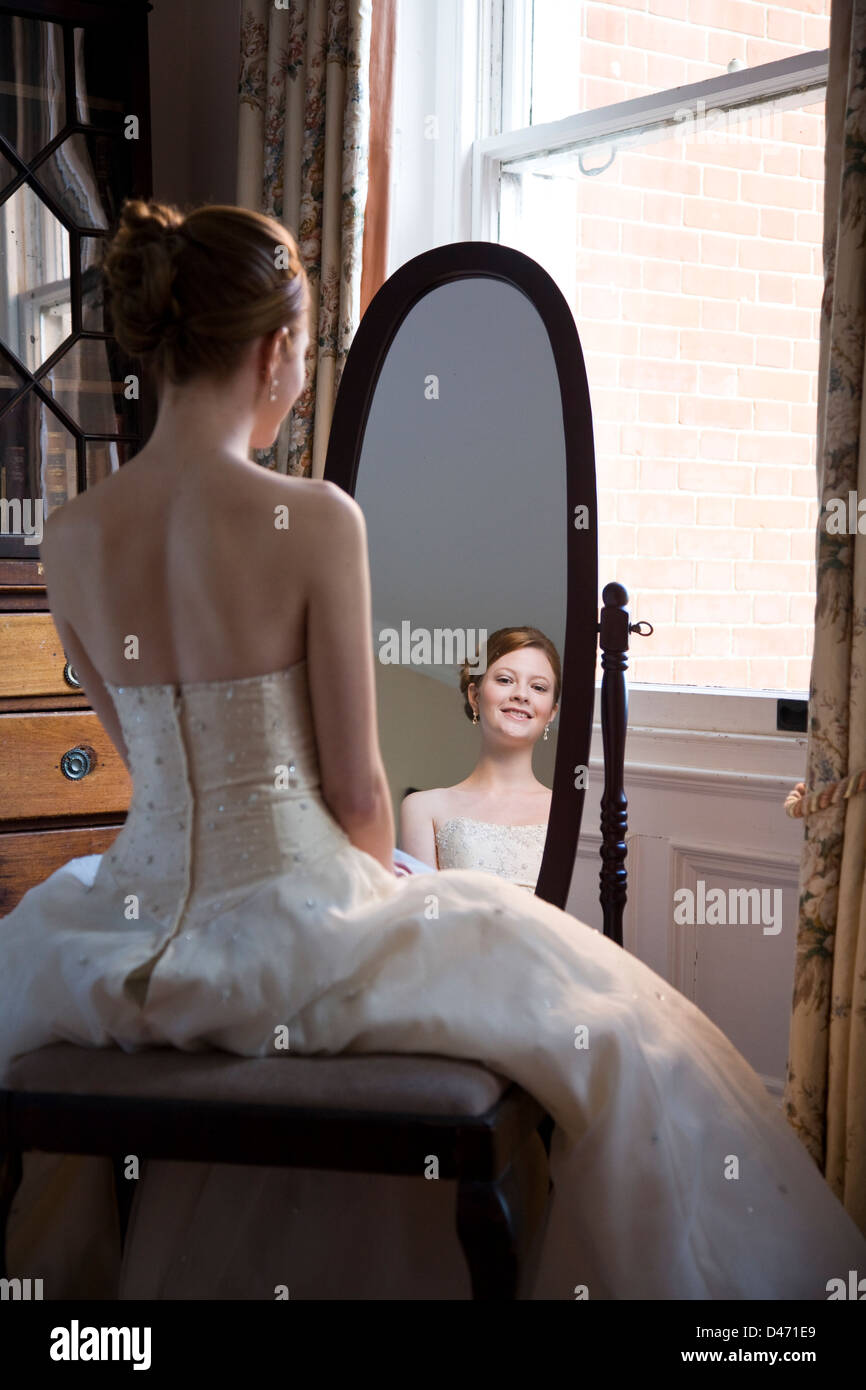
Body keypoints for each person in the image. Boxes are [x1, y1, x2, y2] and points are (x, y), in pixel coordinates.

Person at [2, 198, 864, 1301]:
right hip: (293, 916)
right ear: (273, 352)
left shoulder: (69, 538)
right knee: (618, 1029)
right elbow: (361, 789)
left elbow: (149, 770)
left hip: (123, 936)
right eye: (302, 356)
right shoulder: (311, 518)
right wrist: (386, 880)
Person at [399, 628, 559, 891]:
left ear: (551, 712)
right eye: (506, 680)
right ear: (475, 696)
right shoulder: (422, 808)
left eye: (538, 687)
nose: (522, 694)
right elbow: (425, 918)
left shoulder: (571, 812)